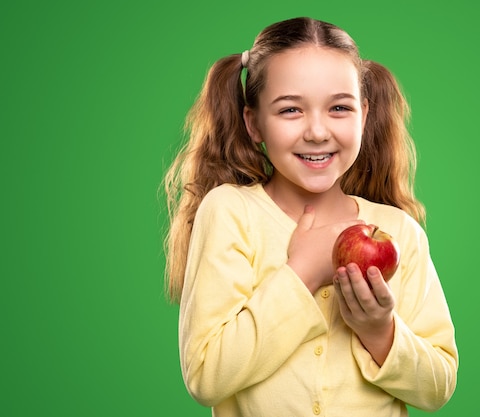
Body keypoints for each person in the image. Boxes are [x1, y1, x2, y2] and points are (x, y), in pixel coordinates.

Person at [163, 16, 458, 416]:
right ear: (254, 123)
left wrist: (380, 332)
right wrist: (302, 272)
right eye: (290, 110)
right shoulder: (231, 211)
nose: (317, 131)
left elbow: (438, 386)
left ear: (364, 114)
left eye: (339, 107)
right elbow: (205, 375)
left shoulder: (399, 232)